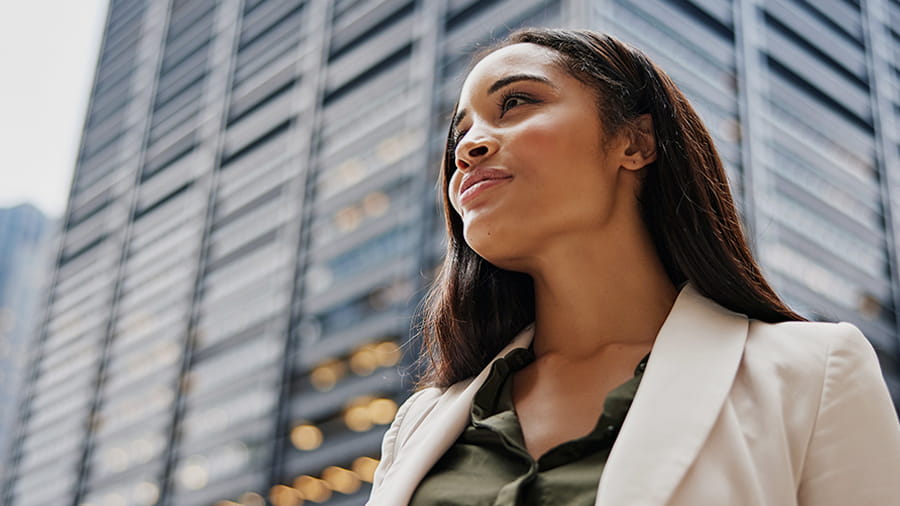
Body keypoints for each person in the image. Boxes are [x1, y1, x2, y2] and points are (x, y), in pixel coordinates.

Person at [366, 28, 900, 506]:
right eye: (460, 134)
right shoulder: (419, 424)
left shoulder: (814, 372)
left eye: (516, 103)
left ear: (635, 141)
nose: (468, 148)